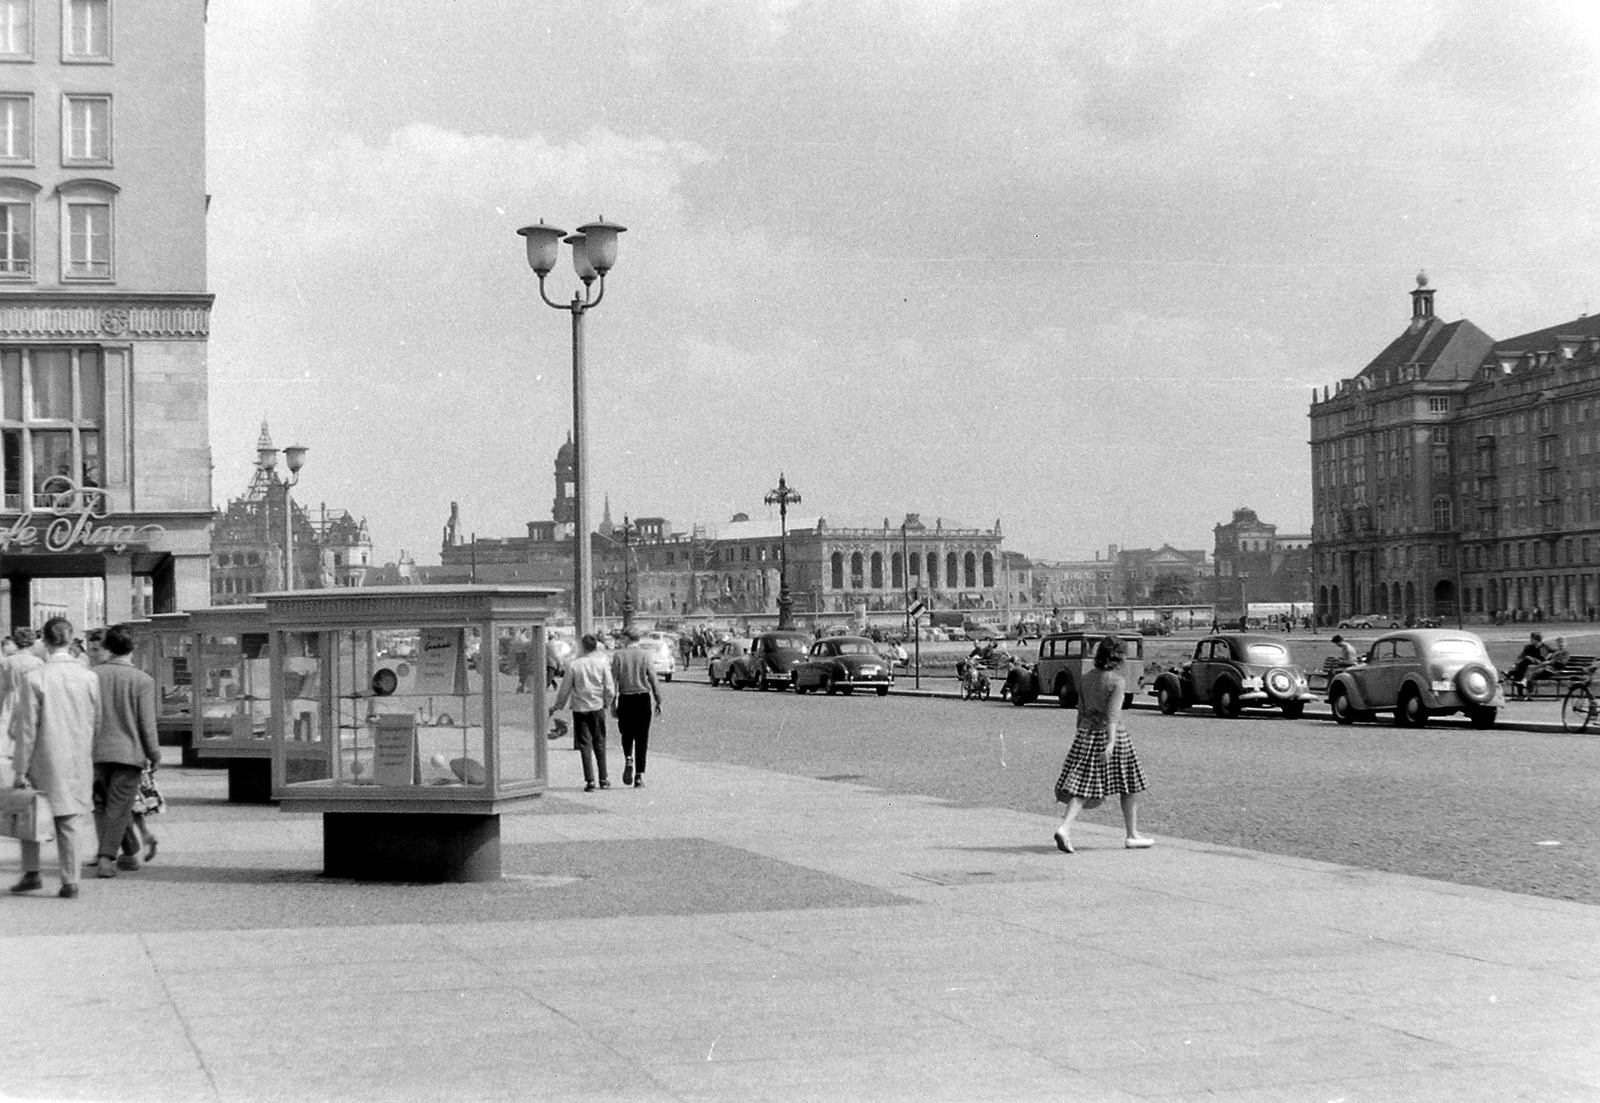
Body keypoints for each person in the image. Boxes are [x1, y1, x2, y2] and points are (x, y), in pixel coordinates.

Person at [9, 617, 101, 899]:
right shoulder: (89, 677)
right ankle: (70, 880)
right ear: (71, 639)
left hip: (43, 758)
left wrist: (20, 769)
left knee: (31, 813)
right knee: (70, 819)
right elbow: (97, 722)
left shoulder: (35, 678)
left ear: (45, 642)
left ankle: (32, 873)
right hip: (77, 757)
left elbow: (27, 730)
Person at [1051, 635, 1151, 853]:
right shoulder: (1116, 682)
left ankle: (1065, 827)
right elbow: (1113, 716)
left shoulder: (1086, 678)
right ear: (1118, 658)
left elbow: (1081, 711)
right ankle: (1131, 834)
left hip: (1086, 734)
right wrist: (1111, 743)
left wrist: (1081, 736)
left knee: (1082, 785)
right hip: (1112, 737)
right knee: (1129, 784)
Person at [89, 624, 161, 877]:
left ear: (107, 646)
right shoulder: (143, 680)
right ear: (134, 647)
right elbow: (146, 723)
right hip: (130, 753)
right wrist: (154, 753)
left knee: (102, 806)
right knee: (120, 807)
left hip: (96, 752)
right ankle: (106, 858)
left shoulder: (93, 675)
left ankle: (129, 852)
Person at [549, 633, 615, 792]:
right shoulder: (602, 664)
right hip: (597, 707)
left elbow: (565, 690)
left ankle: (590, 780)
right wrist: (606, 702)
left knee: (585, 744)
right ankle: (604, 778)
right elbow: (610, 688)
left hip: (580, 708)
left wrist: (558, 706)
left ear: (582, 647)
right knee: (600, 742)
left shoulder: (574, 665)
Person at [610, 626, 663, 789]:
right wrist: (658, 699)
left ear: (626, 639)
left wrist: (612, 702)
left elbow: (614, 682)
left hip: (626, 698)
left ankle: (628, 757)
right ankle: (639, 775)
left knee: (626, 733)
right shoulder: (645, 655)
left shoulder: (618, 656)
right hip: (643, 698)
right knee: (642, 737)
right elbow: (653, 678)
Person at [0, 627, 43, 787]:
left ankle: (9, 757)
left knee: (7, 728)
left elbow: (3, 686)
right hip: (29, 697)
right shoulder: (38, 662)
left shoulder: (7, 661)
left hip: (11, 697)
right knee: (26, 727)